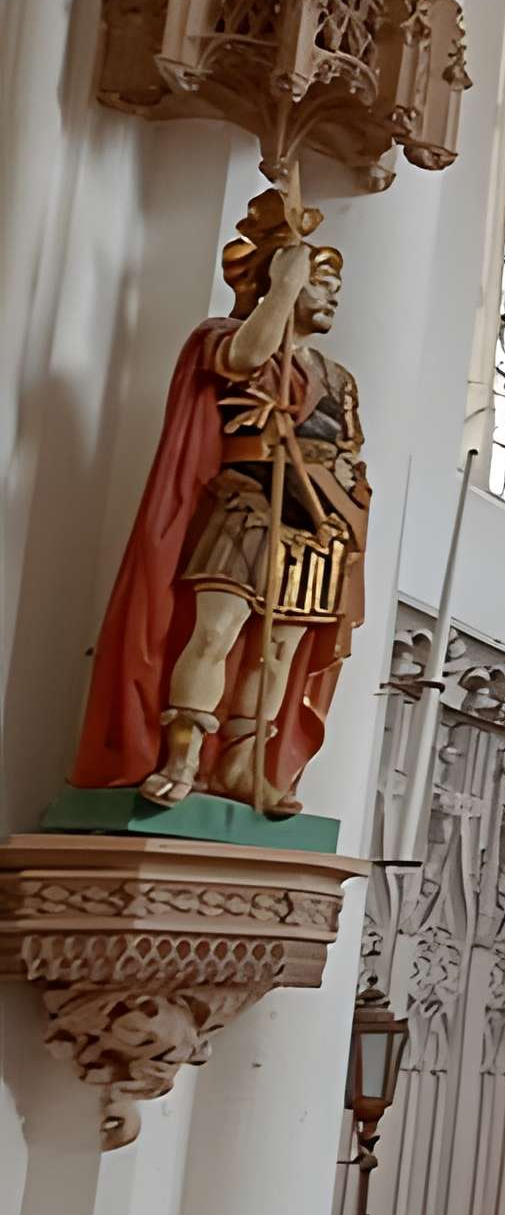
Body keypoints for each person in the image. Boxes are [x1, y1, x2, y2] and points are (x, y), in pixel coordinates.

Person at [74, 193, 369, 815]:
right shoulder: (228, 337)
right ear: (282, 283)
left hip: (316, 528)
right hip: (248, 509)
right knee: (216, 633)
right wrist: (282, 289)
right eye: (321, 282)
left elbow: (348, 453)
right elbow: (244, 359)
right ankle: (182, 754)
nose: (335, 294)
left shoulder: (339, 379)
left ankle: (242, 764)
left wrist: (343, 502)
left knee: (280, 650)